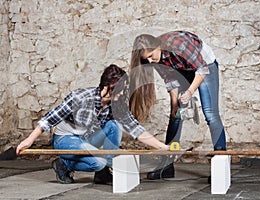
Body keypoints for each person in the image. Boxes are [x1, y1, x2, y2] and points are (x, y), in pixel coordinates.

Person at [16, 64, 169, 184]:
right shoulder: (80, 97)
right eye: (120, 89)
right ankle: (64, 164)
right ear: (107, 86)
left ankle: (104, 172)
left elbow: (135, 129)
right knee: (98, 162)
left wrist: (163, 147)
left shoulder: (117, 104)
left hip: (86, 139)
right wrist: (29, 140)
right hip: (66, 139)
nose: (122, 93)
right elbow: (49, 119)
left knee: (115, 125)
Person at [129, 30, 226, 180]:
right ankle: (166, 165)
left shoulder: (179, 45)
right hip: (181, 68)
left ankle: (221, 166)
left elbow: (201, 69)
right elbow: (170, 79)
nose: (149, 61)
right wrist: (175, 105)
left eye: (150, 56)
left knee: (210, 114)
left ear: (156, 46)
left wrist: (189, 91)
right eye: (145, 59)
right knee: (175, 117)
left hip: (205, 65)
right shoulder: (155, 59)